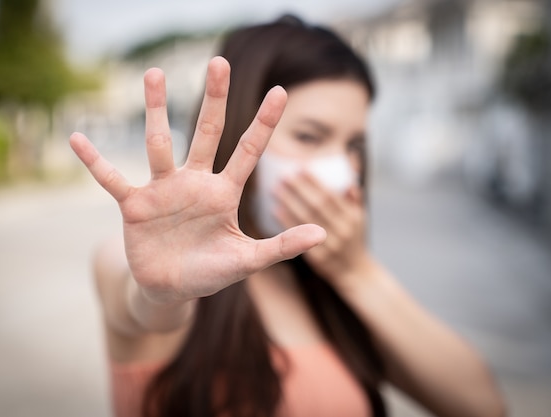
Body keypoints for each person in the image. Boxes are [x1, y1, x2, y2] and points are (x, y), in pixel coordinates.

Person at [69, 15, 505, 417]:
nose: (342, 171)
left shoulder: (334, 295)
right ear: (242, 132)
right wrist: (158, 292)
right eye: (310, 136)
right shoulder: (146, 273)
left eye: (354, 146)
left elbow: (482, 406)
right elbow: (140, 296)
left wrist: (355, 272)